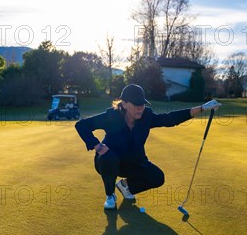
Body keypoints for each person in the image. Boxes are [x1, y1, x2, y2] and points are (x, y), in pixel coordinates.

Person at [75, 84, 221, 209]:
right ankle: (110, 195)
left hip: (134, 162)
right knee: (107, 157)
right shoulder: (111, 116)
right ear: (124, 104)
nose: (140, 108)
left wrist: (202, 108)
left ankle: (125, 186)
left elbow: (169, 119)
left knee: (157, 177)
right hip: (110, 162)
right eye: (136, 104)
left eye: (142, 104)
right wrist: (97, 146)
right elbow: (82, 125)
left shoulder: (146, 116)